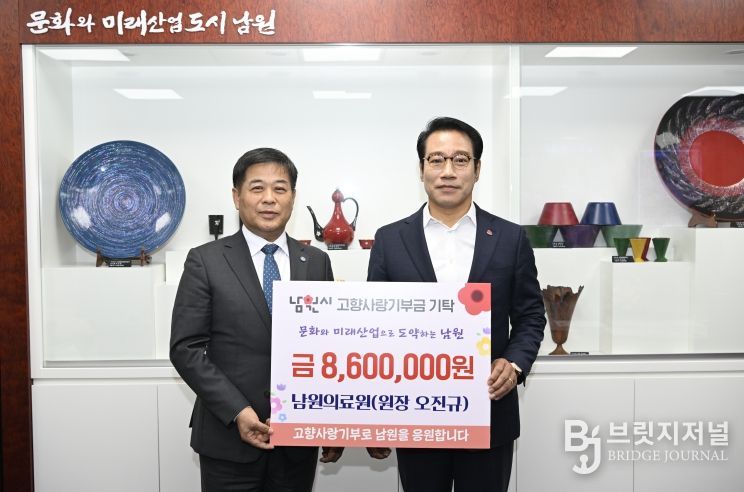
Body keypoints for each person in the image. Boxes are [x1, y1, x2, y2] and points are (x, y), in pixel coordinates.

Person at [367, 117, 546, 492]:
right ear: (421, 169)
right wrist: (375, 418)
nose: (448, 171)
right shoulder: (390, 240)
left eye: (460, 160)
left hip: (489, 409)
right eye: (436, 160)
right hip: (414, 414)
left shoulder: (510, 238)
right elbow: (376, 329)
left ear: (477, 169)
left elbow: (530, 315)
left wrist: (513, 364)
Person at [170, 147, 342, 492]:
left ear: (293, 197)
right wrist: (239, 411)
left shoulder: (316, 261)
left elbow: (328, 348)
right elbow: (186, 349)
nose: (269, 199)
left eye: (280, 189)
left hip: (297, 440)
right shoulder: (205, 260)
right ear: (237, 197)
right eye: (257, 188)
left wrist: (330, 422)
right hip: (228, 437)